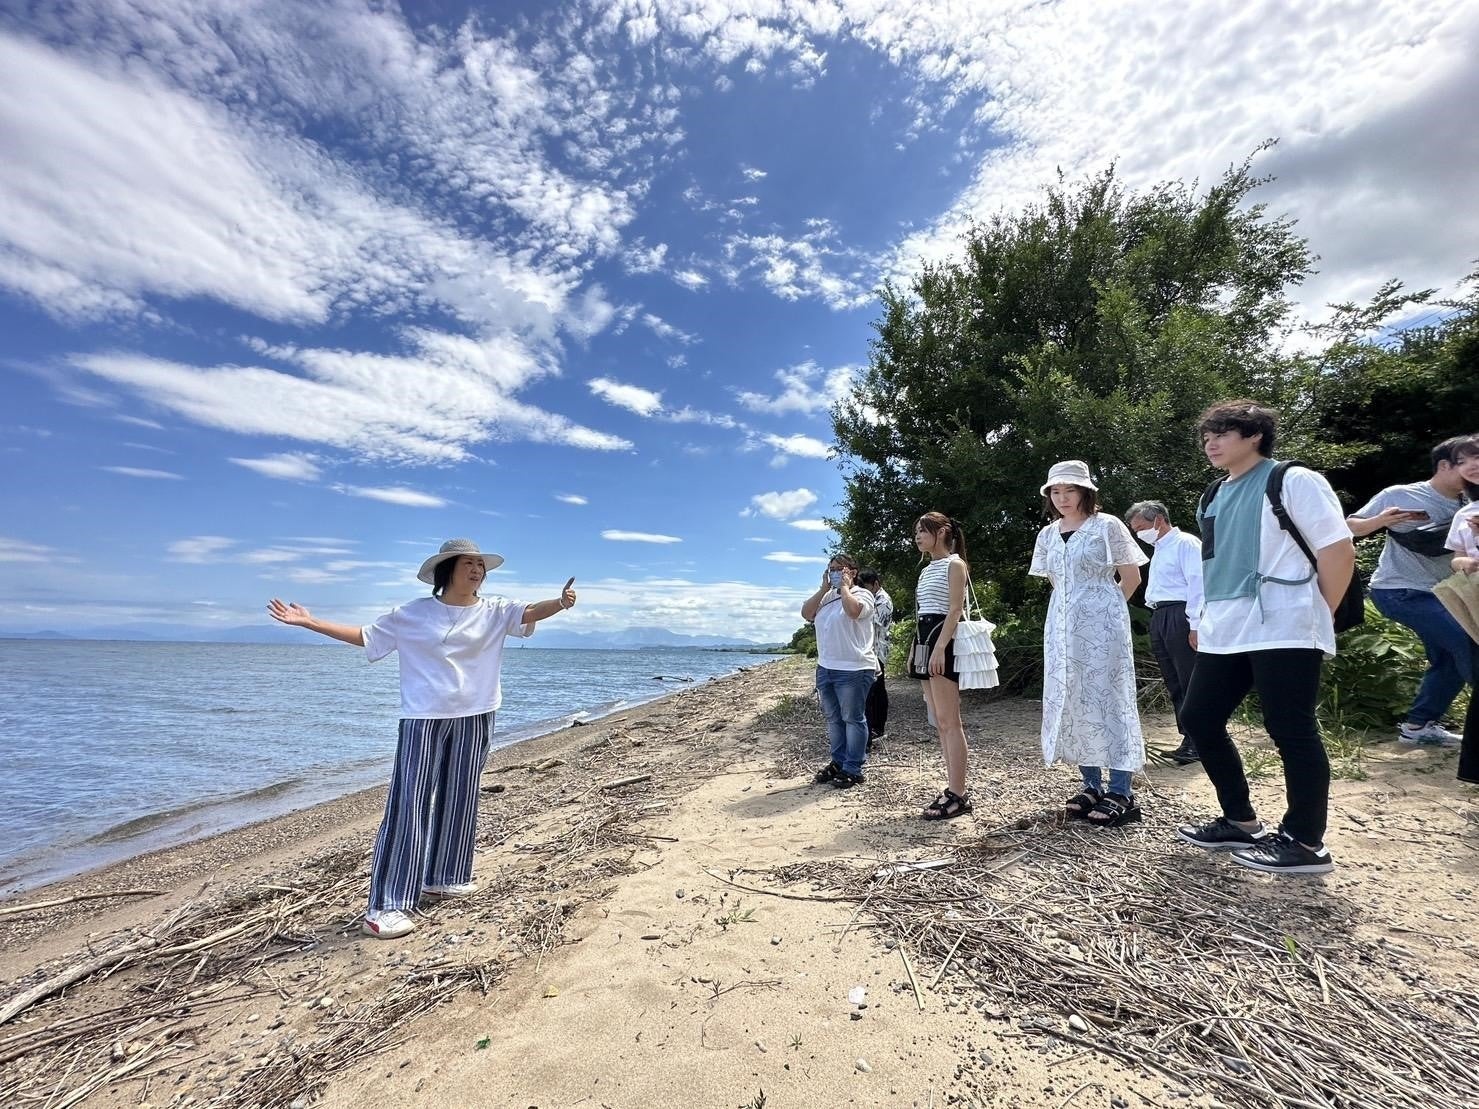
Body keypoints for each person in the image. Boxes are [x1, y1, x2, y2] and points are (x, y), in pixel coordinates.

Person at [268, 538, 578, 939]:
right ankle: (386, 904)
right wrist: (309, 622)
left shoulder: (496, 610)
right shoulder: (411, 615)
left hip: (478, 714)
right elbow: (365, 636)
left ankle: (444, 876)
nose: (477, 570)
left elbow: (532, 611)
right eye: (468, 563)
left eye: (480, 565)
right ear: (446, 570)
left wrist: (561, 602)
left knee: (461, 795)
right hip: (424, 717)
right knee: (409, 802)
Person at [1175, 401, 1356, 876]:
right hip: (1226, 626)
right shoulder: (1212, 493)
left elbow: (1337, 549)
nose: (1210, 443)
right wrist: (1203, 619)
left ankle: (1305, 842)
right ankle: (1240, 820)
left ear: (1254, 435)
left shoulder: (1292, 479)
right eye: (1206, 436)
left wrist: (1319, 612)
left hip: (1285, 619)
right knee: (1198, 716)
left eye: (1222, 433)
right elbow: (1215, 563)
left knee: (1289, 727)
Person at [1031, 462, 1149, 828]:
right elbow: (1056, 581)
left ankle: (1121, 790)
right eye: (1055, 491)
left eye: (1069, 490)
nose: (1062, 498)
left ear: (1086, 491)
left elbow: (1131, 577)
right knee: (1073, 697)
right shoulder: (1048, 535)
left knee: (1109, 697)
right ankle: (1091, 784)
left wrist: (1106, 609)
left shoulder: (1107, 525)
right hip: (1062, 627)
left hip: (1103, 626)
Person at [1345, 436, 1479, 745]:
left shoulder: (1467, 502)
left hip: (1446, 592)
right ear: (1445, 466)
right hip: (1399, 590)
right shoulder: (1402, 493)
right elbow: (1350, 526)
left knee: (1449, 659)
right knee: (1468, 645)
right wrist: (1381, 520)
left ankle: (1418, 727)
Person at [1125, 500, 1204, 764]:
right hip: (1160, 615)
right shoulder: (1160, 549)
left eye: (1141, 527)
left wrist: (1196, 624)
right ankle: (1189, 738)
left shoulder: (1186, 544)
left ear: (1158, 519)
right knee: (1174, 681)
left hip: (1181, 614)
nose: (1139, 534)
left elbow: (1198, 584)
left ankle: (1203, 740)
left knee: (1189, 679)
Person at [909, 512, 972, 819]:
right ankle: (952, 788)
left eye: (924, 530)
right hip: (924, 640)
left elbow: (955, 609)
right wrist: (921, 651)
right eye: (917, 531)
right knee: (939, 720)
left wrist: (940, 649)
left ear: (942, 531)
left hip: (940, 641)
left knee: (950, 720)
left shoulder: (955, 564)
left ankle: (958, 794)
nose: (918, 536)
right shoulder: (926, 569)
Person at [802, 554, 877, 789]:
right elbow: (807, 613)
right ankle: (838, 761)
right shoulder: (826, 597)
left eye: (839, 569)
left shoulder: (862, 594)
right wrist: (824, 587)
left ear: (852, 571)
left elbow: (853, 612)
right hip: (826, 667)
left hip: (854, 668)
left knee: (853, 719)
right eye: (831, 569)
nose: (834, 572)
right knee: (834, 719)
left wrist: (845, 587)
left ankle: (853, 767)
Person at [1446, 446, 1479, 785]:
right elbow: (1455, 559)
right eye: (1461, 462)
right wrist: (1464, 563)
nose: (1470, 466)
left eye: (1477, 457)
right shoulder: (1466, 513)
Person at [857, 569, 894, 748]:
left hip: (878, 651)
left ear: (876, 584)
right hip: (870, 650)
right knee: (874, 691)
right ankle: (874, 728)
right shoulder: (872, 598)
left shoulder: (883, 600)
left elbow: (877, 621)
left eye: (865, 587)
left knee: (876, 691)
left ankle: (877, 728)